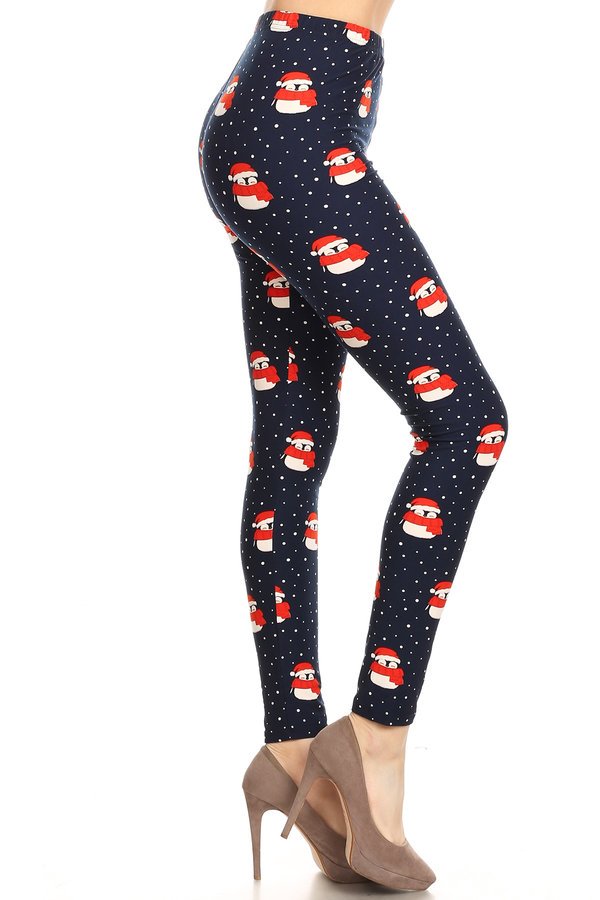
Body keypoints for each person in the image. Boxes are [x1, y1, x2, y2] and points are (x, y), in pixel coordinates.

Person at [197, 0, 509, 888]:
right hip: (294, 126)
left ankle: (293, 748)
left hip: (279, 108)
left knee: (293, 445)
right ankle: (373, 738)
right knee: (467, 424)